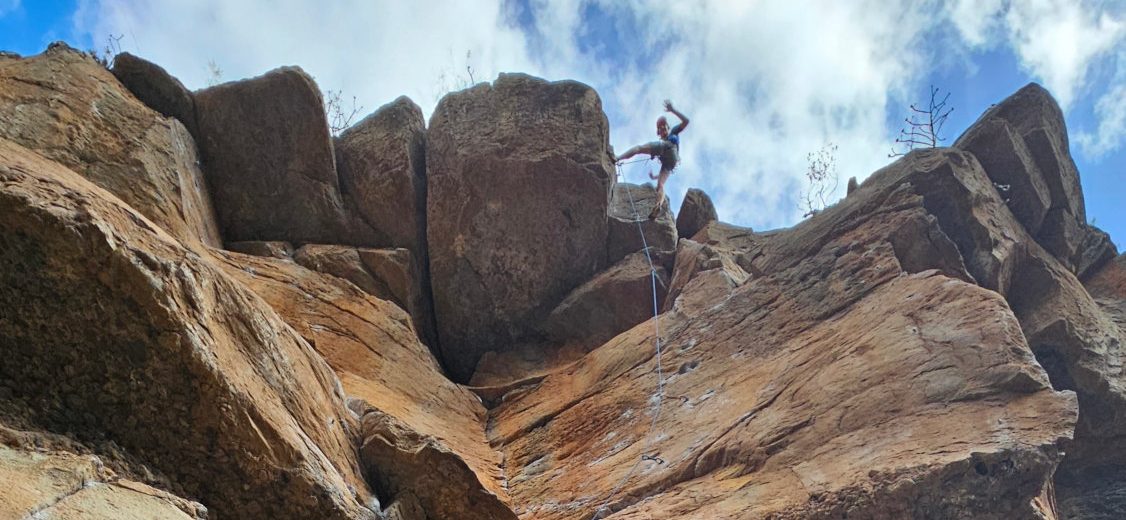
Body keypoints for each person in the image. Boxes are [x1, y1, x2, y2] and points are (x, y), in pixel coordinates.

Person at [615, 100, 689, 219]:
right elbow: (664, 173)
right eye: (661, 128)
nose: (663, 128)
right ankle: (658, 205)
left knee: (639, 148)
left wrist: (673, 110)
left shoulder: (673, 132)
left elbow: (686, 121)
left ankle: (617, 158)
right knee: (660, 185)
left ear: (667, 128)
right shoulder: (669, 138)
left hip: (669, 148)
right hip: (670, 162)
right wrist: (654, 176)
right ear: (659, 132)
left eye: (664, 126)